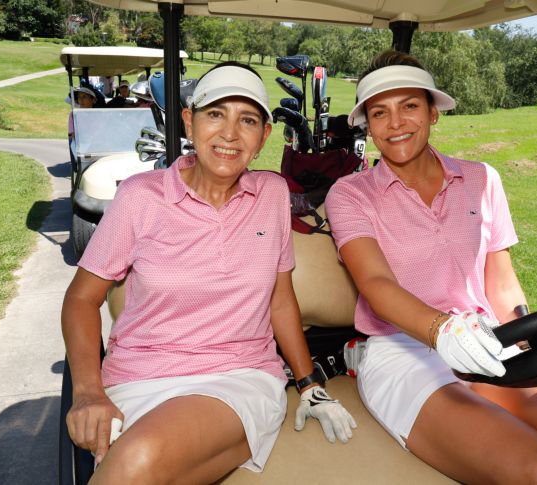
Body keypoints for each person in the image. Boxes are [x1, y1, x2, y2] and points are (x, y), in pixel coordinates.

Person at [62, 61, 356, 484]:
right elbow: (81, 298)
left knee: (138, 459)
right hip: (136, 379)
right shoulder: (140, 197)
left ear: (264, 136)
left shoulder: (271, 193)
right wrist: (88, 391)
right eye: (216, 114)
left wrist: (309, 382)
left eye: (248, 120)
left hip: (235, 378)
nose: (230, 134)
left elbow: (279, 298)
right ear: (189, 120)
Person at [324, 49, 537, 484]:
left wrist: (532, 342)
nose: (396, 124)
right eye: (380, 113)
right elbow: (375, 282)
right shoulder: (351, 194)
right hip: (403, 350)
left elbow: (502, 284)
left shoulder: (481, 179)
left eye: (410, 106)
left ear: (433, 112)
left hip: (488, 340)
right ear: (368, 125)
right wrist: (441, 331)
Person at [68, 86, 96, 170]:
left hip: (97, 144)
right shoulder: (74, 114)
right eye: (79, 98)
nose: (81, 100)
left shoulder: (98, 114)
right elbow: (71, 134)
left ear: (92, 100)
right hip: (81, 145)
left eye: (84, 97)